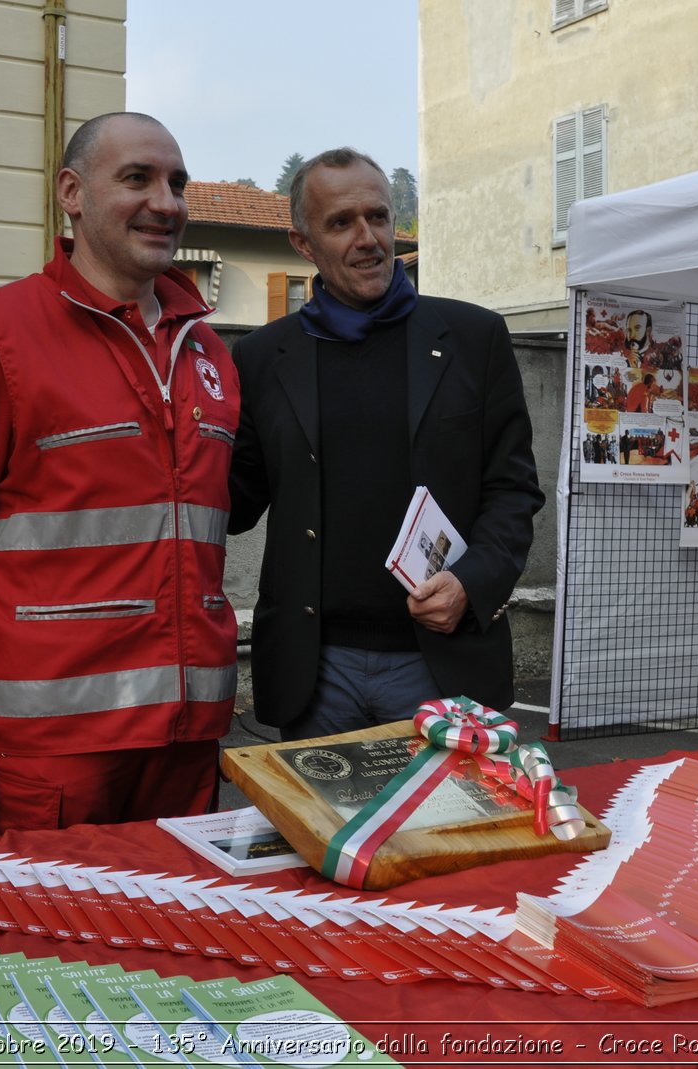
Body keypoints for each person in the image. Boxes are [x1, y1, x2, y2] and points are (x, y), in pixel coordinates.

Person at [0, 113, 240, 838]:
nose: (166, 202)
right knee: (42, 951)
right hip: (47, 758)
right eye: (137, 179)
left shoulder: (208, 351)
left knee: (177, 948)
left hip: (185, 747)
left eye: (177, 183)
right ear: (71, 194)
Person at [229, 147, 544, 741]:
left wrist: (471, 582)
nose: (368, 237)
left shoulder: (474, 338)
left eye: (377, 217)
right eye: (341, 223)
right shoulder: (261, 357)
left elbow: (513, 490)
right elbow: (237, 501)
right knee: (323, 836)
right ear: (303, 244)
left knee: (444, 835)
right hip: (313, 671)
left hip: (441, 663)